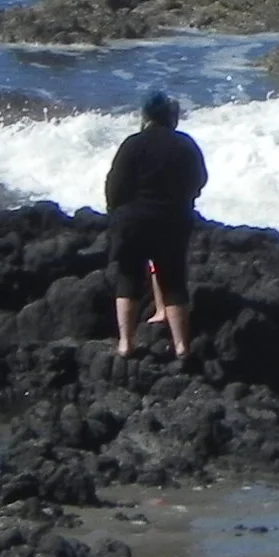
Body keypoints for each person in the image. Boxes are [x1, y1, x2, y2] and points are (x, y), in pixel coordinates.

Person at [105, 91, 208, 359]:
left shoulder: (133, 144)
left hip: (133, 221)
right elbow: (199, 180)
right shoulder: (185, 145)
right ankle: (182, 347)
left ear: (146, 117)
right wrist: (183, 201)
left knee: (129, 277)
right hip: (172, 220)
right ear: (171, 117)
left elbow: (114, 186)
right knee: (173, 281)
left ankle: (126, 343)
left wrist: (115, 213)